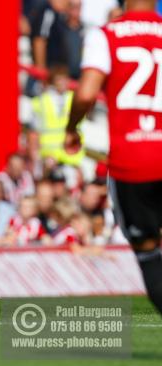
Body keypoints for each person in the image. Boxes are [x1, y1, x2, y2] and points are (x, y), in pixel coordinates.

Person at [65, 0, 162, 314]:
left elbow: (86, 93)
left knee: (148, 251)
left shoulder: (106, 35)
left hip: (133, 162)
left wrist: (72, 128)